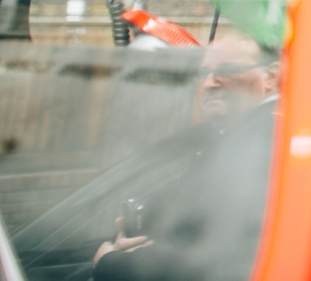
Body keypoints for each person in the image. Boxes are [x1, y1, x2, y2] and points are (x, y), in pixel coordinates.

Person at [88, 29, 280, 281]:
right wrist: (146, 240)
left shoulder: (264, 137)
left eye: (227, 69)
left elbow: (232, 253)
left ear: (271, 76)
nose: (210, 82)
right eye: (204, 73)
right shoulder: (234, 136)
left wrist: (114, 265)